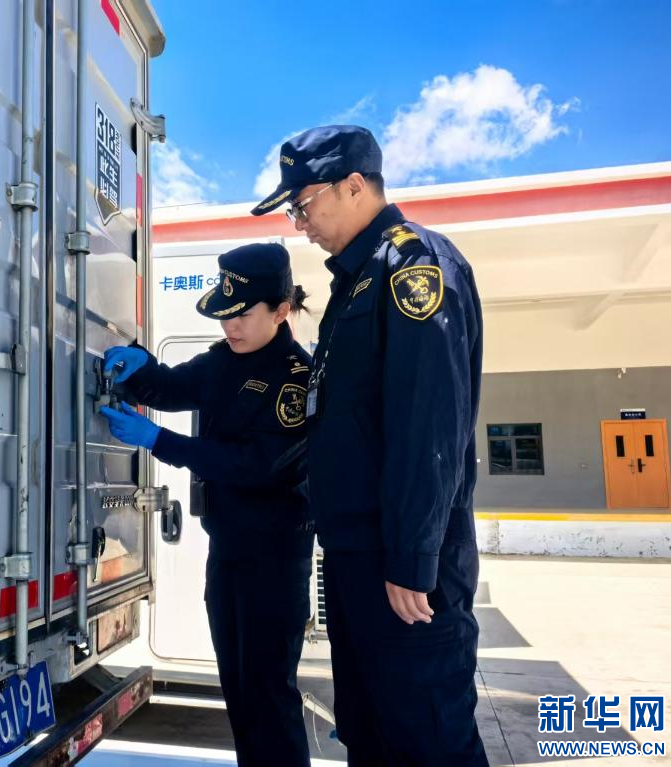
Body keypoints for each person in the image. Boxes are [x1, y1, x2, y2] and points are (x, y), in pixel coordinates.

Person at [252, 125, 488, 766]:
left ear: (354, 186)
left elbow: (429, 422)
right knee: (370, 731)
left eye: (304, 205)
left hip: (401, 566)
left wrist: (412, 557)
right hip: (357, 556)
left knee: (427, 739)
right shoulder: (355, 283)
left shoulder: (414, 266)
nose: (300, 223)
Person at [100, 243, 314, 767]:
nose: (229, 326)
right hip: (229, 554)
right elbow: (174, 387)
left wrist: (158, 440)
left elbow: (254, 465)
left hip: (273, 560)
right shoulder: (224, 359)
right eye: (224, 315)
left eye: (242, 315)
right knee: (238, 691)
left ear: (281, 310)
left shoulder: (295, 378)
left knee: (268, 695)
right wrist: (141, 369)